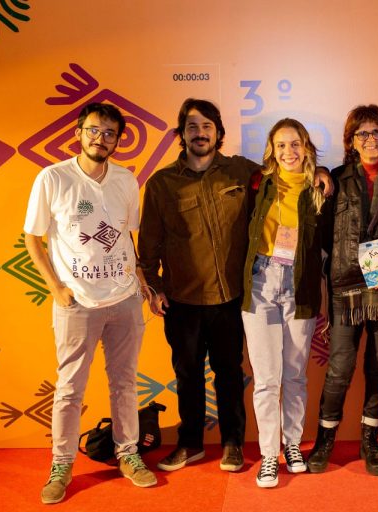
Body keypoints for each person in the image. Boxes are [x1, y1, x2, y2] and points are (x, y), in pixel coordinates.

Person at [138, 99, 332, 474]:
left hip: (231, 294)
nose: (200, 133)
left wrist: (321, 170)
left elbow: (290, 170)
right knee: (188, 374)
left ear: (219, 133)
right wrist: (154, 286)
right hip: (183, 297)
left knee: (231, 373)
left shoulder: (243, 172)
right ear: (181, 134)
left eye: (207, 126)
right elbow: (148, 243)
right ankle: (193, 444)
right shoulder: (163, 183)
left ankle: (234, 444)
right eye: (192, 127)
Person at [24, 102, 156, 505]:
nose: (101, 138)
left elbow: (126, 236)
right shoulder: (53, 178)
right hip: (77, 302)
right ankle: (61, 464)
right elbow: (33, 238)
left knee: (125, 383)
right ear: (79, 132)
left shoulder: (126, 180)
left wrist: (141, 282)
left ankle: (128, 453)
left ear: (118, 140)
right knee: (69, 388)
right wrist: (56, 289)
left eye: (110, 133)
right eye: (94, 130)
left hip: (125, 300)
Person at [307, 105, 378, 476]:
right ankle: (324, 440)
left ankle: (370, 441)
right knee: (339, 369)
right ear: (351, 141)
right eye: (362, 134)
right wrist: (318, 172)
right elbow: (322, 236)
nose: (370, 139)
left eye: (376, 132)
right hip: (345, 288)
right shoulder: (335, 179)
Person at [241, 119, 328, 488]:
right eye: (281, 145)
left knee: (294, 374)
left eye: (295, 144)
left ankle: (292, 444)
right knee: (266, 379)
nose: (289, 152)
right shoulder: (257, 182)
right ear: (271, 150)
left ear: (306, 147)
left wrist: (322, 172)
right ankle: (267, 456)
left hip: (300, 285)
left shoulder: (320, 188)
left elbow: (328, 245)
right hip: (261, 283)